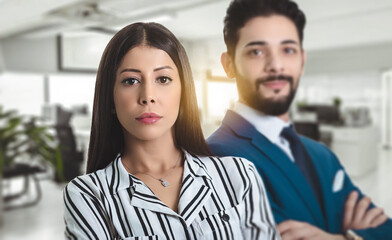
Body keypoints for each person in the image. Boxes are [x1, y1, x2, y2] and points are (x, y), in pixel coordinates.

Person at [63, 22, 280, 239]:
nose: (148, 95)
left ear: (184, 92)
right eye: (131, 80)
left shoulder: (239, 176)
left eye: (163, 79)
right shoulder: (89, 195)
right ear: (110, 98)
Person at [207, 0, 392, 239]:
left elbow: (386, 228)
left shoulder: (321, 155)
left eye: (288, 50)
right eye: (257, 51)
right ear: (229, 65)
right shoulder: (214, 159)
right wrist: (352, 233)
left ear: (302, 61)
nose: (276, 65)